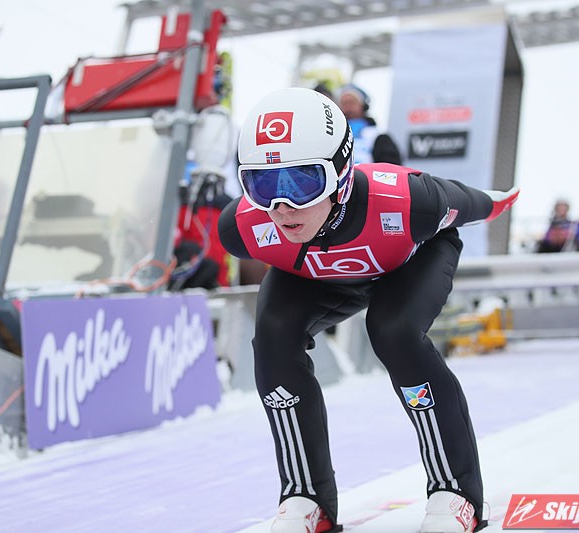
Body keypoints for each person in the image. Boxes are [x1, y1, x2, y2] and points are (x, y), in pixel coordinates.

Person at [218, 88, 519, 533]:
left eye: (302, 182)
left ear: (341, 173)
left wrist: (498, 201)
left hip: (408, 260)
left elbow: (469, 200)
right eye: (262, 185)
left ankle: (455, 492)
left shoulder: (409, 201)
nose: (282, 207)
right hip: (315, 273)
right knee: (274, 337)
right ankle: (306, 496)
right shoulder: (243, 226)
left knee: (393, 331)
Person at [337, 83, 402, 165]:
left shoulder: (377, 136)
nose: (348, 107)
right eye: (344, 103)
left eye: (352, 102)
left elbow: (390, 166)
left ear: (363, 106)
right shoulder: (335, 135)